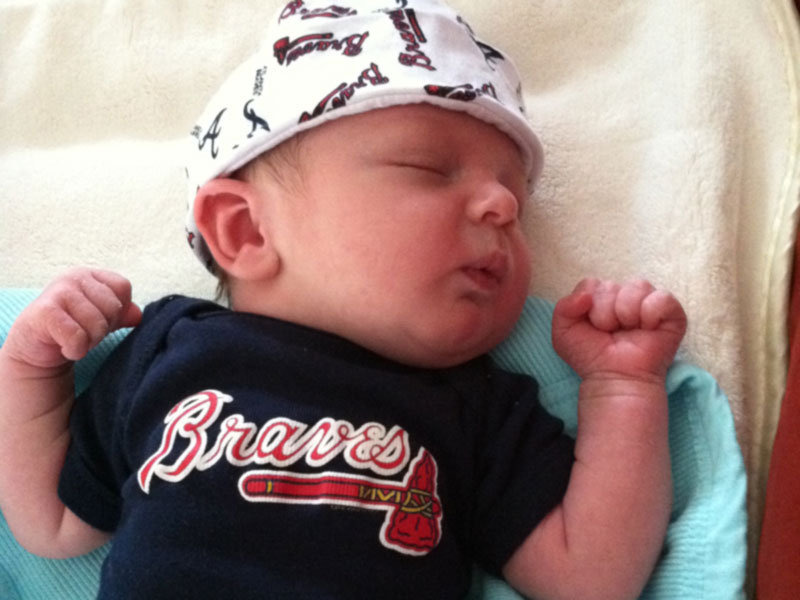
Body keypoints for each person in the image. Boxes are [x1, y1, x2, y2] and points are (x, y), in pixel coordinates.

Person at [0, 1, 687, 598]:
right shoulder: (170, 350)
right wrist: (29, 368)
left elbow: (588, 578)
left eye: (518, 201)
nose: (503, 206)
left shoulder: (475, 407)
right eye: (428, 168)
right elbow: (50, 524)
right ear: (245, 231)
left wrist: (622, 388)